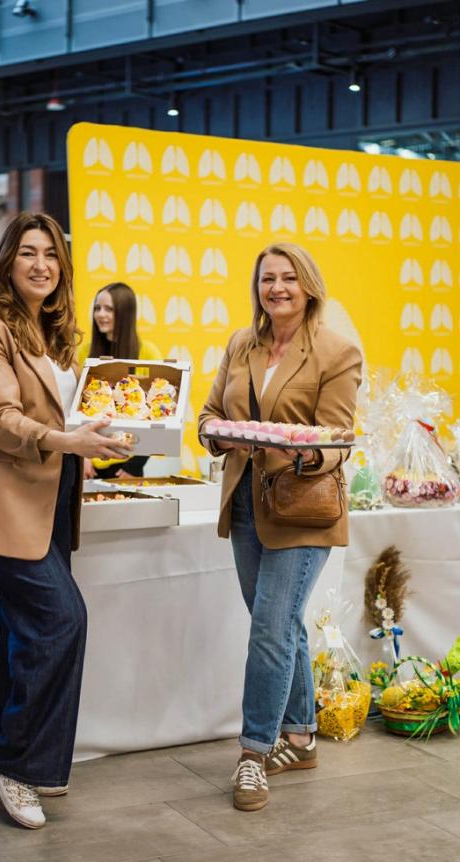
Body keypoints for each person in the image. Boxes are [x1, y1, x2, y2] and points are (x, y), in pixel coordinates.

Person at [0, 212, 129, 829]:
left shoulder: (54, 335)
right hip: (4, 500)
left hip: (53, 499)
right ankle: (18, 765)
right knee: (60, 620)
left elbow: (66, 416)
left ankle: (0, 757)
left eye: (51, 254)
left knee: (22, 630)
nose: (41, 265)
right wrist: (68, 441)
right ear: (7, 261)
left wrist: (98, 438)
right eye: (28, 252)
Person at [198, 242, 362, 812]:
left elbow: (338, 439)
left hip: (302, 507)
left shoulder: (337, 352)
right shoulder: (241, 344)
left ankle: (253, 752)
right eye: (268, 278)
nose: (277, 288)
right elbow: (209, 415)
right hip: (245, 503)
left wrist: (304, 452)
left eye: (288, 278)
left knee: (270, 628)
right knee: (280, 622)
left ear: (308, 285)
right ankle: (301, 736)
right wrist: (219, 435)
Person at [77, 281, 162, 479]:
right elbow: (75, 407)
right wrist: (82, 456)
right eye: (97, 308)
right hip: (88, 463)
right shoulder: (84, 352)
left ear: (125, 313)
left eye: (109, 309)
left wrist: (133, 466)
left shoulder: (147, 352)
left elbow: (157, 415)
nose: (100, 314)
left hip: (127, 465)